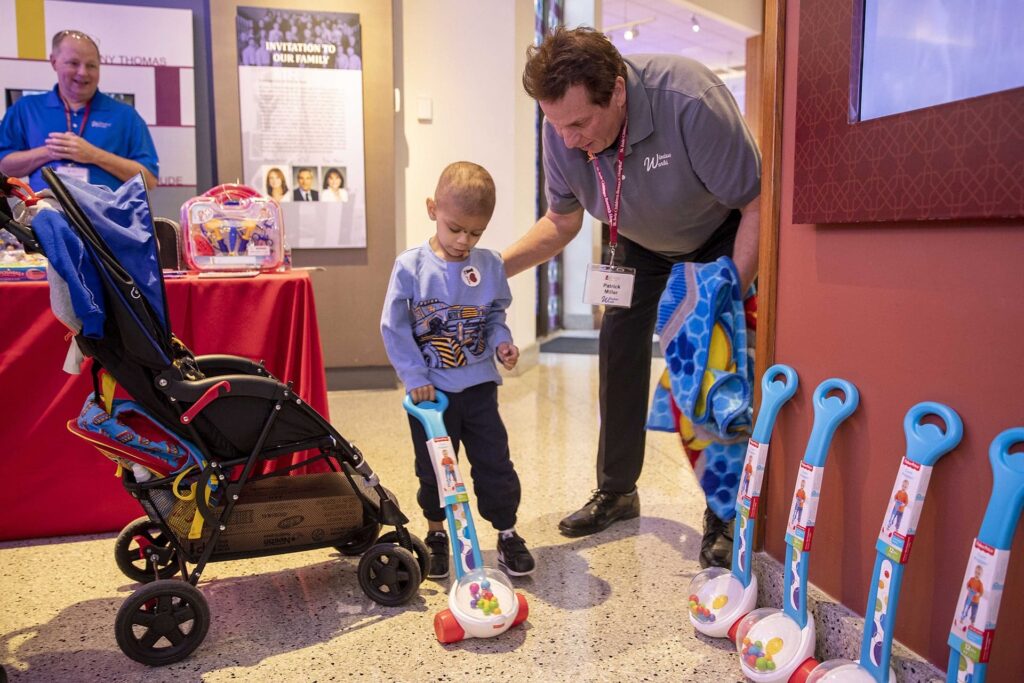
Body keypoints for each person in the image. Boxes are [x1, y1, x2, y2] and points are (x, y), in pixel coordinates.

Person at [503, 27, 760, 569]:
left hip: (715, 235)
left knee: (708, 365)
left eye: (579, 124)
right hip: (637, 242)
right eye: (556, 124)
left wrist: (725, 295)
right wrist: (493, 269)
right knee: (618, 349)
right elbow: (561, 221)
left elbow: (757, 203)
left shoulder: (689, 100)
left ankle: (724, 511)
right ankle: (617, 490)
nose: (568, 139)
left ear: (617, 92)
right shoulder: (561, 130)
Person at [381, 161, 535, 579]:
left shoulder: (489, 266)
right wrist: (415, 378)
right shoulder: (411, 266)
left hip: (480, 388)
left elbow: (494, 315)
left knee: (495, 465)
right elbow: (394, 327)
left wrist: (501, 341)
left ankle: (506, 534)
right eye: (455, 229)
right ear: (433, 209)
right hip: (432, 397)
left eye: (476, 232)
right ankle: (436, 533)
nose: (464, 240)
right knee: (434, 470)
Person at [0, 30, 159, 191]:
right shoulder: (26, 108)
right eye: (73, 63)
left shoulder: (126, 115)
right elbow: (3, 166)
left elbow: (149, 180)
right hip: (45, 212)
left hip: (105, 214)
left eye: (91, 65)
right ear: (54, 62)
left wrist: (93, 155)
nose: (83, 72)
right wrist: (51, 151)